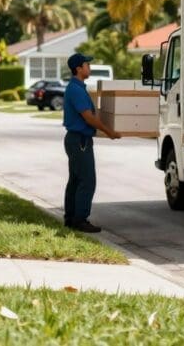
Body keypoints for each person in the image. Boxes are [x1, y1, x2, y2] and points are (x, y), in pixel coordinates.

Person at [63, 52, 121, 233]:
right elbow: (88, 117)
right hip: (80, 140)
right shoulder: (76, 90)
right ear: (78, 68)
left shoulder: (77, 87)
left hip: (77, 139)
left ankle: (71, 218)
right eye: (87, 64)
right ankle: (80, 219)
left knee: (75, 180)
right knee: (87, 181)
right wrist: (109, 131)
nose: (90, 67)